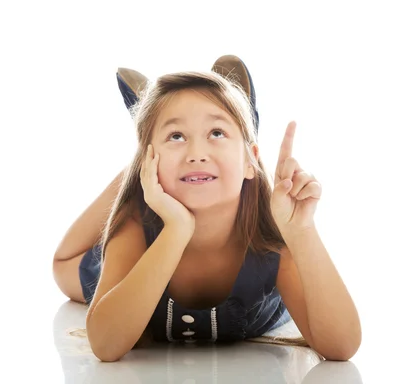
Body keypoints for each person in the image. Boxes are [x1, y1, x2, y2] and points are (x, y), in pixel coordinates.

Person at [52, 55, 362, 362]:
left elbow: (341, 347)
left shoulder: (273, 238)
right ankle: (152, 134)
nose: (196, 153)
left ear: (251, 161)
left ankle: (167, 121)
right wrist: (175, 230)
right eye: (177, 136)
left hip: (227, 172)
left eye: (216, 133)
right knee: (63, 266)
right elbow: (105, 345)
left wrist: (302, 230)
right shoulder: (137, 224)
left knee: (192, 130)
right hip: (151, 199)